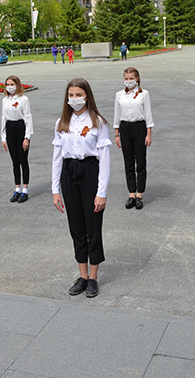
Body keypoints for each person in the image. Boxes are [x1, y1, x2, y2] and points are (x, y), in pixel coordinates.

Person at [52, 78, 111, 298]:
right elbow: (57, 158)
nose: (74, 99)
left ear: (87, 95)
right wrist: (55, 189)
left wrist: (101, 192)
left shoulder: (98, 122)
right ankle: (82, 276)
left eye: (78, 94)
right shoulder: (61, 122)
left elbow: (104, 159)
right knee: (76, 227)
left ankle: (94, 277)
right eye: (71, 95)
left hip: (90, 173)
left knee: (92, 226)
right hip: (69, 174)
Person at [113, 67, 153, 209]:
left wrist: (148, 134)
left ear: (137, 79)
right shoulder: (119, 95)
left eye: (131, 78)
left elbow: (148, 115)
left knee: (140, 162)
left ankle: (139, 194)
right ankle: (131, 194)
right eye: (126, 78)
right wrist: (117, 134)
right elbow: (117, 115)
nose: (129, 81)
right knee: (128, 161)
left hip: (139, 127)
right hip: (125, 127)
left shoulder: (144, 94)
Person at [1, 75, 33, 203]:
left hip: (21, 128)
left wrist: (27, 137)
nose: (9, 87)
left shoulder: (24, 99)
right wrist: (3, 136)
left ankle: (25, 190)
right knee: (15, 162)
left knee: (23, 160)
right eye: (7, 84)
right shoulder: (5, 100)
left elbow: (28, 117)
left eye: (12, 84)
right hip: (10, 128)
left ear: (17, 85)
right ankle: (17, 189)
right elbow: (3, 118)